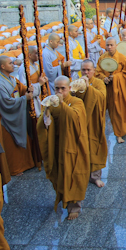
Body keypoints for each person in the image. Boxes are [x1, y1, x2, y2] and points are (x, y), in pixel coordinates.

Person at [37, 76, 90, 220]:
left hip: (73, 145)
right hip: (58, 145)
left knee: (74, 175)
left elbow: (76, 119)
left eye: (63, 88)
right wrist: (47, 111)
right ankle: (63, 198)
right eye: (57, 88)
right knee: (60, 174)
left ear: (69, 88)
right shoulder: (51, 103)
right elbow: (44, 124)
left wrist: (62, 104)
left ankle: (75, 206)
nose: (60, 91)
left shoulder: (76, 102)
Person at [0, 55, 38, 176]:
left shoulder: (12, 78)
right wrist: (24, 99)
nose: (13, 65)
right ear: (2, 66)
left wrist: (28, 89)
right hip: (8, 119)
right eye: (10, 63)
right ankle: (15, 168)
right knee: (12, 145)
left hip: (18, 114)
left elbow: (21, 89)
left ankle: (27, 163)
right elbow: (6, 103)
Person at [75, 60, 108, 188]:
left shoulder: (98, 83)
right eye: (83, 70)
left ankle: (95, 176)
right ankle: (81, 173)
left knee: (95, 146)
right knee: (80, 147)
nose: (86, 72)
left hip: (94, 121)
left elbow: (102, 97)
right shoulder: (76, 83)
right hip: (80, 121)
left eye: (89, 70)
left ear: (94, 70)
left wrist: (88, 87)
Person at [95, 38, 126, 143]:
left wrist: (116, 77)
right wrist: (104, 78)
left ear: (116, 45)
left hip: (120, 89)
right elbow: (97, 72)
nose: (109, 47)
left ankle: (120, 132)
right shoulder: (102, 58)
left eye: (111, 45)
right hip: (108, 89)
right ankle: (118, 133)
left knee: (120, 110)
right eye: (107, 45)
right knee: (113, 112)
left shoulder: (121, 58)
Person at [17, 45, 49, 117]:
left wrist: (45, 80)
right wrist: (39, 84)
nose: (38, 55)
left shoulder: (37, 65)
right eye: (36, 53)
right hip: (33, 99)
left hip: (40, 95)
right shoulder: (24, 69)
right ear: (30, 55)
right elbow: (24, 87)